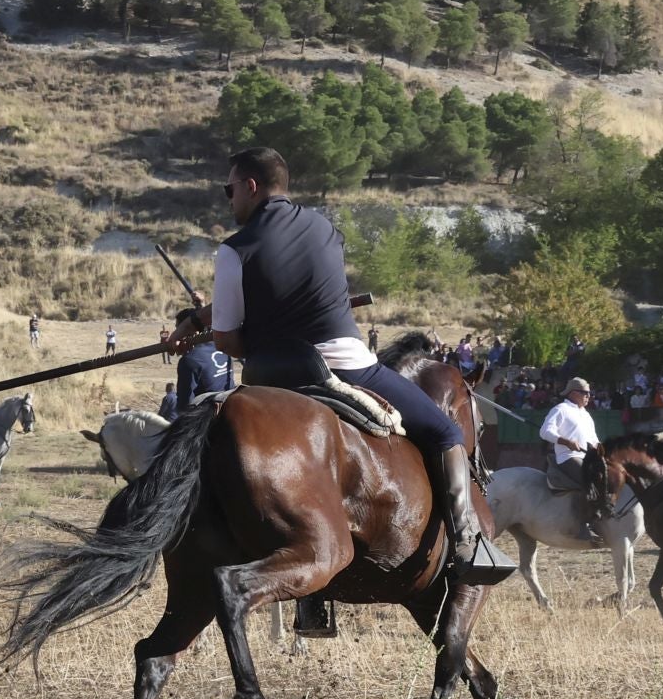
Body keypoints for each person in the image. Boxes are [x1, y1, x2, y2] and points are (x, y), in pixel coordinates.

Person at [164, 147, 510, 635]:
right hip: (345, 368)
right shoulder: (325, 229)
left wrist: (199, 321)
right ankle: (470, 542)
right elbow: (302, 292)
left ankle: (309, 595)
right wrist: (204, 318)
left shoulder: (233, 249)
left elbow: (230, 340)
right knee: (445, 429)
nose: (229, 199)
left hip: (272, 381)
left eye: (230, 189)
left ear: (252, 187)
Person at [538, 377, 601, 541]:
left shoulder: (586, 415)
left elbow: (593, 438)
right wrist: (565, 441)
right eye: (585, 393)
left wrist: (599, 448)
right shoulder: (560, 409)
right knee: (589, 479)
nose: (589, 396)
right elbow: (545, 431)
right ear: (574, 393)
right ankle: (582, 526)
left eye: (589, 393)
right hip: (568, 457)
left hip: (587, 456)